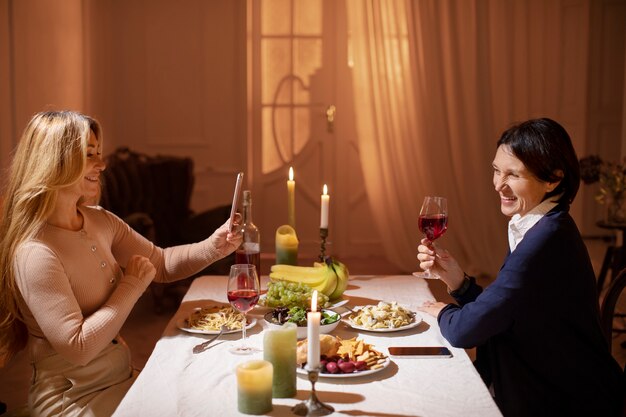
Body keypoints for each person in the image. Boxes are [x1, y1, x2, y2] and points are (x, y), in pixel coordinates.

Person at [0, 110, 243, 416]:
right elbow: (78, 347)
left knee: (212, 392)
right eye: (89, 155)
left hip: (119, 379)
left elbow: (163, 263)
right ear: (55, 161)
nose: (102, 165)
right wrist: (132, 284)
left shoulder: (99, 219)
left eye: (99, 154)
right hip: (72, 400)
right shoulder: (36, 252)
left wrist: (213, 247)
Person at [417, 118, 624, 416]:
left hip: (565, 400)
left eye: (513, 174)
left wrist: (443, 311)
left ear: (553, 178)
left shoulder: (546, 240)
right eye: (496, 170)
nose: (499, 185)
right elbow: (504, 312)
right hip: (546, 381)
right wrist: (458, 282)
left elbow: (466, 330)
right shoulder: (543, 224)